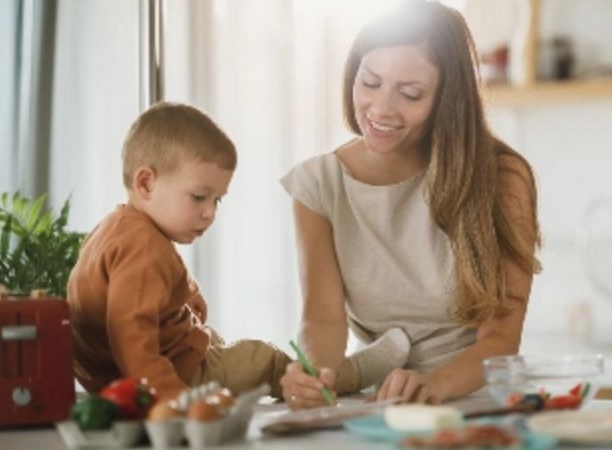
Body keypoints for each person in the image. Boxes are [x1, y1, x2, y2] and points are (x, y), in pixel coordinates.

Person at [280, 0, 541, 409]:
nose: (381, 109)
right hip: (386, 402)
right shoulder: (320, 185)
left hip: (477, 399)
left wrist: (434, 385)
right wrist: (314, 374)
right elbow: (323, 318)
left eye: (410, 93)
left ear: (446, 100)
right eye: (369, 82)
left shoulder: (502, 179)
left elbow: (501, 338)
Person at [67, 102, 406, 401]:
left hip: (118, 373)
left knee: (213, 339)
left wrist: (189, 302)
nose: (210, 212)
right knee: (264, 360)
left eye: (217, 200)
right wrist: (174, 403)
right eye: (199, 197)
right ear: (145, 183)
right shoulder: (142, 248)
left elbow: (143, 301)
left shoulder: (115, 228)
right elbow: (131, 338)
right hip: (167, 376)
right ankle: (354, 373)